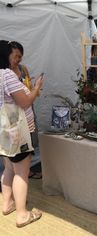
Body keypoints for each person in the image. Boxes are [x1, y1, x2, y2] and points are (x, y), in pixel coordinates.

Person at [0, 40, 43, 227]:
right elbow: (25, 102)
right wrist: (37, 87)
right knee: (21, 173)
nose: (15, 58)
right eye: (12, 53)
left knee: (9, 167)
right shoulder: (7, 75)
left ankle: (7, 203)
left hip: (4, 130)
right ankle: (22, 215)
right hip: (18, 130)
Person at [9, 41, 41, 179]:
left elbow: (29, 90)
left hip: (28, 110)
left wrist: (33, 88)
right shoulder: (6, 73)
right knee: (17, 150)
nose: (18, 59)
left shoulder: (23, 69)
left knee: (31, 142)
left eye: (20, 56)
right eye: (15, 56)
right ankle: (20, 176)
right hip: (15, 116)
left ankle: (24, 172)